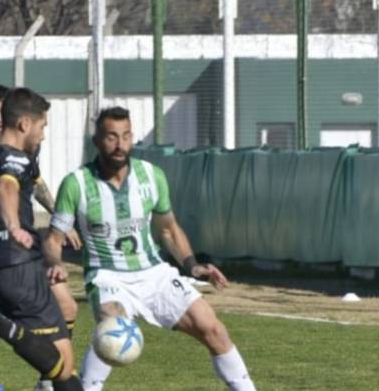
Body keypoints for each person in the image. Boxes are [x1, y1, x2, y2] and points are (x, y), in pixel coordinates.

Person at [45, 107, 256, 391]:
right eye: (111, 137)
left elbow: (168, 229)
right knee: (114, 326)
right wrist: (54, 262)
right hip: (107, 276)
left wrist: (192, 265)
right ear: (96, 141)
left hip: (155, 273)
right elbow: (53, 239)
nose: (120, 144)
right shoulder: (77, 183)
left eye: (126, 136)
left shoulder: (151, 176)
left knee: (213, 329)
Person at [0, 88, 84, 390]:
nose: (43, 135)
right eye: (42, 126)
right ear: (24, 123)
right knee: (64, 368)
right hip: (18, 265)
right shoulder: (17, 158)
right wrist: (13, 225)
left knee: (61, 364)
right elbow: (5, 188)